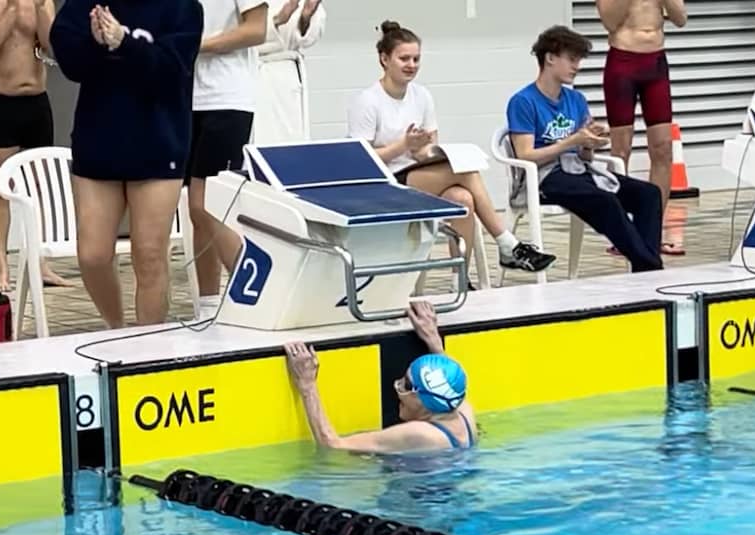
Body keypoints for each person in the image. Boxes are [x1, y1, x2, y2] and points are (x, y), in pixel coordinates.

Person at [346, 21, 556, 275]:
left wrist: (423, 151)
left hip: (416, 174)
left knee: (463, 199)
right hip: (383, 183)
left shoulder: (422, 95)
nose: (411, 65)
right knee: (466, 173)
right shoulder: (368, 101)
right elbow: (361, 161)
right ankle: (506, 243)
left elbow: (429, 148)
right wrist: (403, 145)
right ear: (384, 59)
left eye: (416, 59)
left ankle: (461, 280)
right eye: (404, 59)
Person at [49, 0, 204, 328]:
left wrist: (125, 42)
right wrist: (95, 43)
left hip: (158, 141)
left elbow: (173, 69)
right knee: (92, 255)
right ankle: (116, 329)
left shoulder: (182, 7)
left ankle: (148, 348)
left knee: (148, 255)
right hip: (99, 140)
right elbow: (68, 61)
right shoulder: (87, 5)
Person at [506, 26, 664, 273]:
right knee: (605, 200)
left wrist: (590, 143)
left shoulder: (576, 100)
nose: (577, 66)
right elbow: (526, 156)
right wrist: (571, 141)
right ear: (549, 58)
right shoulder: (523, 101)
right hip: (546, 177)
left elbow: (583, 155)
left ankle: (645, 266)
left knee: (649, 194)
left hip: (579, 168)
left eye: (578, 60)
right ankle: (651, 268)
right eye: (571, 59)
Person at [0, 0, 71, 292]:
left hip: (36, 98)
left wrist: (38, 8)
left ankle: (40, 263)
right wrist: (11, 9)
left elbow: (51, 45)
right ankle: (1, 269)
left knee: (41, 188)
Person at [284, 301, 477, 453]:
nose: (397, 387)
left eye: (405, 385)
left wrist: (307, 385)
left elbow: (332, 445)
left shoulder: (420, 434)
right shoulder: (464, 414)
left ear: (423, 398)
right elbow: (448, 381)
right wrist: (433, 338)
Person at [190, 0, 270, 306]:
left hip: (226, 99)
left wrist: (198, 46)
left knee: (206, 205)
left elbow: (256, 29)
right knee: (196, 211)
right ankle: (208, 305)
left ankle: (257, 294)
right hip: (187, 98)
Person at [596, 0, 686, 254]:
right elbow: (609, 22)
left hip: (656, 63)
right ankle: (621, 231)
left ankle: (652, 229)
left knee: (663, 149)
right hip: (623, 61)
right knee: (621, 150)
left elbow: (680, 19)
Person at [254, 0, 326, 143]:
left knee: (287, 137)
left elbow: (308, 37)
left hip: (285, 75)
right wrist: (277, 20)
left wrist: (305, 18)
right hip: (252, 70)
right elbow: (245, 31)